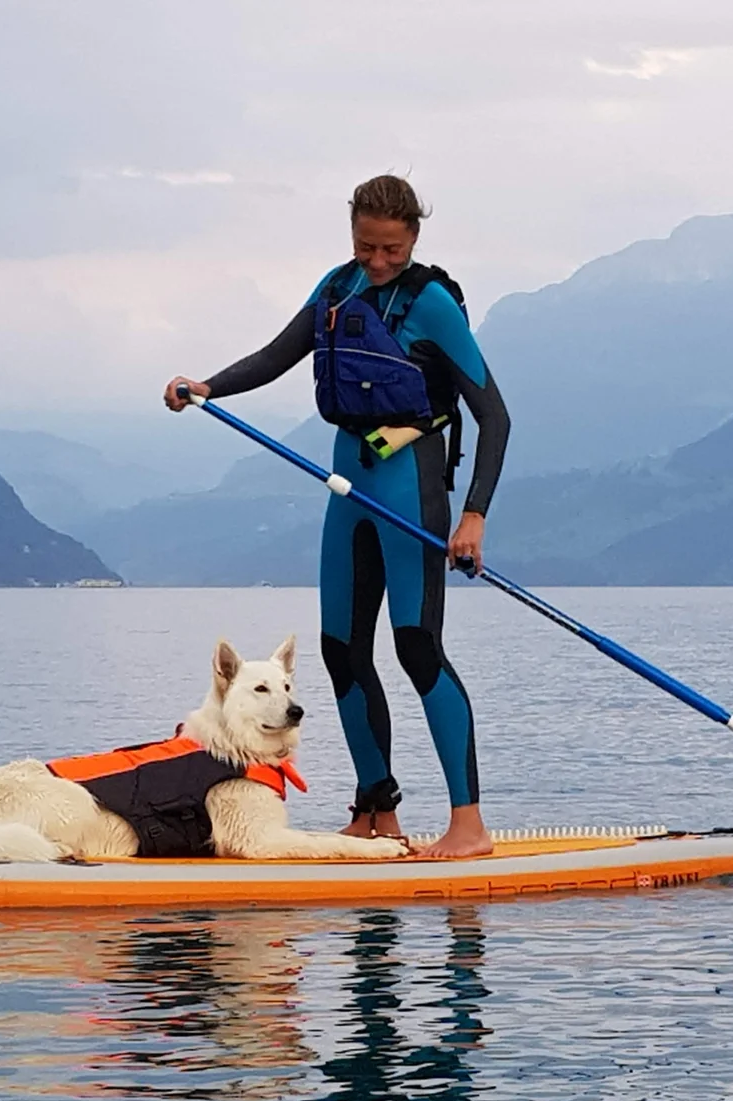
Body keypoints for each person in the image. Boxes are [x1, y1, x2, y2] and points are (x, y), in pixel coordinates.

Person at [162, 174, 510, 858]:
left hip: (410, 482)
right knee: (341, 652)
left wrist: (473, 515)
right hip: (350, 483)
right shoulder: (336, 287)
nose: (377, 260)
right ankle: (375, 810)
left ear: (413, 238)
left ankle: (468, 825)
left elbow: (494, 415)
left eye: (391, 249)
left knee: (416, 647)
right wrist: (208, 386)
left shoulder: (433, 304)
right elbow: (275, 355)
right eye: (366, 245)